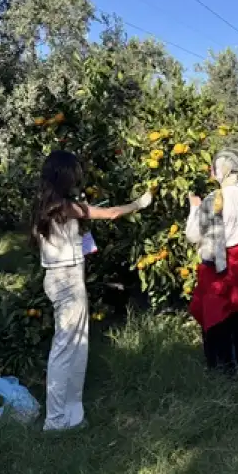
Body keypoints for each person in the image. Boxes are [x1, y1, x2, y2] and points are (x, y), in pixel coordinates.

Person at [30, 150, 152, 432]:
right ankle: (57, 419)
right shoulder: (63, 205)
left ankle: (71, 415)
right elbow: (109, 214)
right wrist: (138, 203)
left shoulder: (47, 204)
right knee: (66, 348)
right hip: (68, 281)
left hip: (60, 277)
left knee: (76, 346)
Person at [186, 149, 238, 374]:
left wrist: (194, 208)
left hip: (219, 267)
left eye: (217, 166)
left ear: (227, 169)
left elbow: (193, 235)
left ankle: (223, 374)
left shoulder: (215, 199)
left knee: (217, 324)